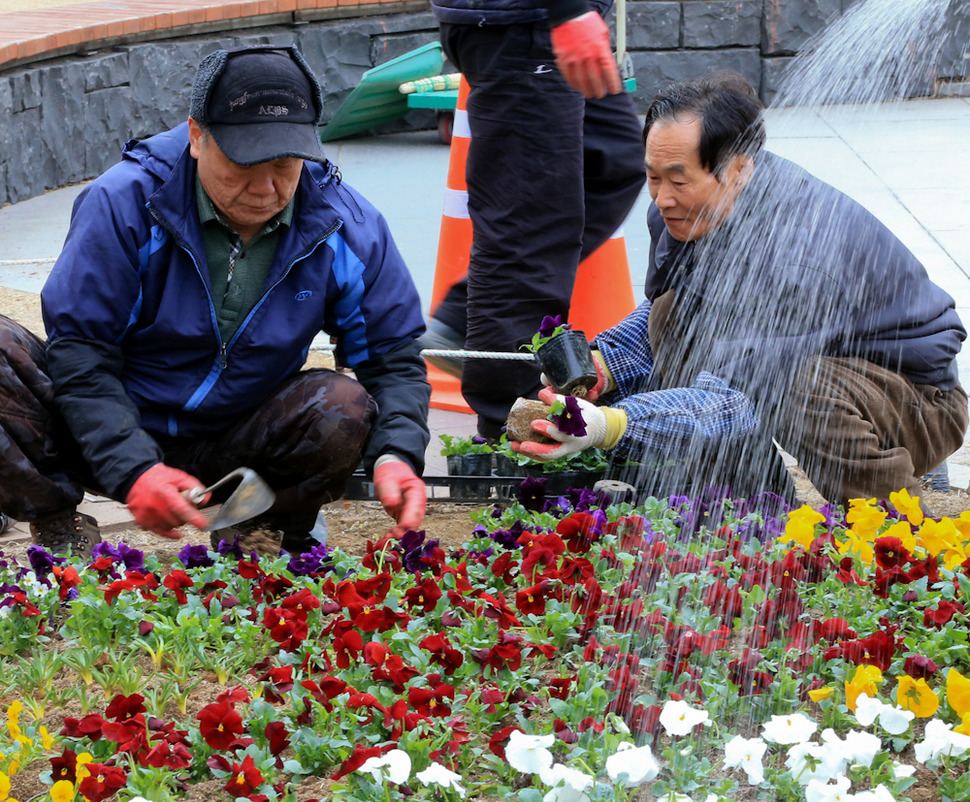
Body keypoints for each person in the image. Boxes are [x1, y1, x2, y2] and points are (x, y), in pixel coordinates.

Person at [0, 45, 430, 558]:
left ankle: (260, 533)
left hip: (238, 444)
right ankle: (57, 523)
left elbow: (393, 357)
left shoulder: (348, 226)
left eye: (286, 165)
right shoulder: (126, 203)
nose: (266, 188)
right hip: (104, 424)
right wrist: (134, 468)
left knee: (342, 405)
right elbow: (82, 353)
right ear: (197, 137)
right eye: (245, 163)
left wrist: (397, 455)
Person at [513, 73, 968, 507]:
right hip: (811, 366)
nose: (661, 197)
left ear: (738, 170)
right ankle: (747, 516)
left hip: (918, 401)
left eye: (678, 179)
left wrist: (613, 424)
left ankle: (894, 536)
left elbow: (738, 398)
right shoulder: (685, 213)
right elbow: (672, 308)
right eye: (653, 176)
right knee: (670, 313)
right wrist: (607, 366)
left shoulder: (795, 257)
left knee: (795, 391)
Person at [424, 0, 646, 437]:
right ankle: (509, 427)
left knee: (611, 161)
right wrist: (569, 11)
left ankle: (463, 326)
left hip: (540, 21)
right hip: (528, 22)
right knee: (529, 228)